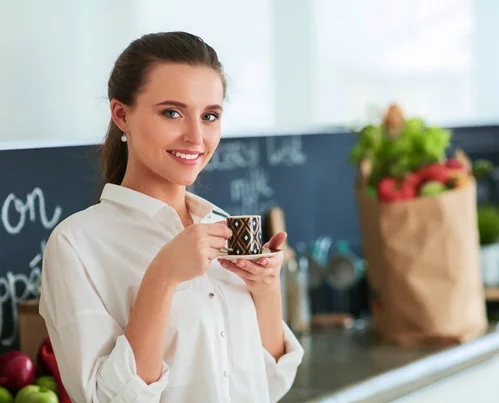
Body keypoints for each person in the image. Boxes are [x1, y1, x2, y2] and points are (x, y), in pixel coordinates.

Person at [39, 31, 304, 403]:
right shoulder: (76, 244)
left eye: (210, 116)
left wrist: (266, 289)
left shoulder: (221, 226)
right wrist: (163, 277)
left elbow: (270, 383)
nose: (196, 136)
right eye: (172, 113)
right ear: (121, 114)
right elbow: (104, 398)